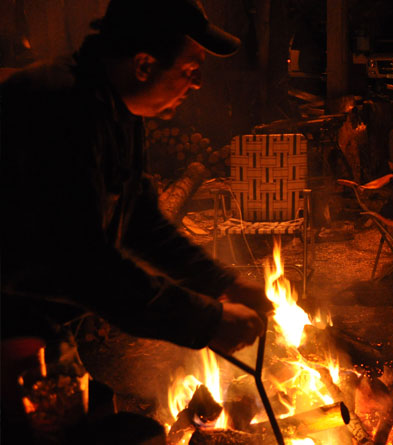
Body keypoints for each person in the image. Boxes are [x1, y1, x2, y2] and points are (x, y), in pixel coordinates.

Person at [1, 0, 272, 440]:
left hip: (38, 326)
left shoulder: (115, 109)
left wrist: (223, 282)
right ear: (144, 65)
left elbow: (142, 222)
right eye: (190, 70)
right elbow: (81, 264)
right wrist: (207, 321)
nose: (198, 84)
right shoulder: (57, 107)